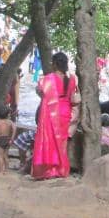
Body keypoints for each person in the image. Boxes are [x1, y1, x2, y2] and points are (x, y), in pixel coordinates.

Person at [31, 52, 80, 180]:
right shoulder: (72, 78)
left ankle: (49, 170)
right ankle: (61, 169)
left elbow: (40, 91)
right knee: (62, 142)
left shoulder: (48, 79)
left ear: (55, 64)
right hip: (65, 112)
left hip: (52, 112)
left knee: (50, 140)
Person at [0, 105, 17, 174]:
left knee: (0, 156)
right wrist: (12, 138)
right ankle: (6, 170)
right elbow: (14, 129)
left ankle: (0, 170)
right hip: (8, 138)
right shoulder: (10, 122)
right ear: (8, 114)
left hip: (1, 139)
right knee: (5, 155)